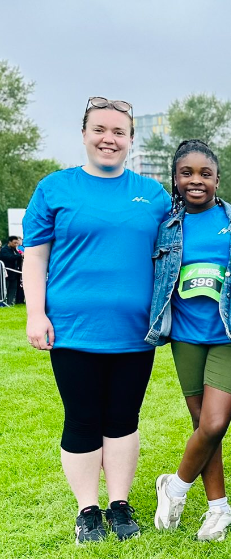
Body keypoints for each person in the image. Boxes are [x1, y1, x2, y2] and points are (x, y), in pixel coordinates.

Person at [23, 96, 169, 543]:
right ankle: (87, 510)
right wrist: (35, 314)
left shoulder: (154, 196)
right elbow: (35, 257)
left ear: (130, 139)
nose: (109, 139)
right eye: (100, 130)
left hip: (135, 331)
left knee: (124, 418)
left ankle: (119, 505)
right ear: (84, 134)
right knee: (82, 419)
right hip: (73, 329)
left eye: (119, 132)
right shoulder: (55, 188)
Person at [147, 140, 231, 541]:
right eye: (187, 173)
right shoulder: (166, 227)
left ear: (217, 180)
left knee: (214, 422)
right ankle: (218, 509)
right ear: (175, 179)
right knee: (203, 427)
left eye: (205, 174)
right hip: (185, 339)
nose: (196, 180)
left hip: (229, 337)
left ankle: (174, 488)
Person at [1, 236, 23, 306]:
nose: (16, 244)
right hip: (7, 273)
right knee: (5, 288)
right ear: (9, 242)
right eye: (14, 243)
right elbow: (9, 257)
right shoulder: (4, 250)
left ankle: (9, 303)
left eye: (17, 243)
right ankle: (2, 303)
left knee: (13, 288)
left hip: (14, 273)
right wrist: (19, 256)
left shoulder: (15, 250)